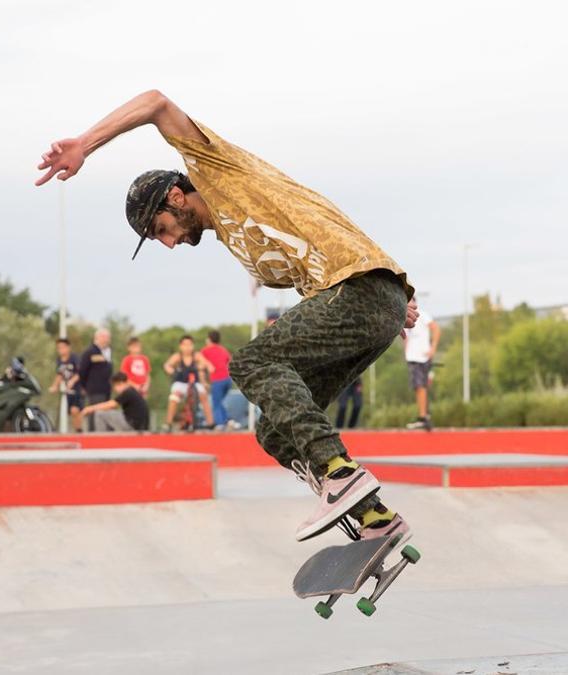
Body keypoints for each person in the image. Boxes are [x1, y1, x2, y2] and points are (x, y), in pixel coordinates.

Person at [34, 89, 419, 544]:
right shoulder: (240, 239)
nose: (171, 243)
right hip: (370, 300)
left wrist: (85, 143)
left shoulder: (217, 172)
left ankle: (341, 476)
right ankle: (374, 519)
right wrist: (395, 299)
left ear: (176, 196)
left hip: (361, 288)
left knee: (251, 363)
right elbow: (317, 219)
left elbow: (157, 104)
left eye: (162, 229)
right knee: (273, 431)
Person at [163, 335, 216, 430]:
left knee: (203, 395)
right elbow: (167, 365)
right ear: (180, 346)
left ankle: (210, 423)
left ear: (193, 346)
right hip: (180, 383)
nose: (187, 347)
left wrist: (209, 367)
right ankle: (168, 423)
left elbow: (208, 364)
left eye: (190, 344)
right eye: (185, 345)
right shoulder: (177, 356)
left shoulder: (196, 355)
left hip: (194, 383)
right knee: (174, 397)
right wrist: (171, 370)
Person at [403, 306, 440, 430]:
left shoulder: (422, 314)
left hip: (421, 357)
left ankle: (423, 417)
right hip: (413, 357)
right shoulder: (404, 315)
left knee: (420, 386)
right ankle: (424, 416)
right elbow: (405, 337)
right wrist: (406, 352)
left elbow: (436, 328)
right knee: (419, 387)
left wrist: (433, 348)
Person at [80, 373, 150, 432]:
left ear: (120, 383)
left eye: (115, 386)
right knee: (110, 413)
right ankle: (110, 435)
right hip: (140, 426)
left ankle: (101, 440)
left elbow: (111, 404)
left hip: (132, 426)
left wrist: (90, 408)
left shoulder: (127, 392)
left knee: (100, 414)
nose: (115, 390)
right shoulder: (133, 391)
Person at [78, 329, 113, 431]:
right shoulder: (90, 352)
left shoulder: (107, 352)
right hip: (95, 390)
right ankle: (92, 434)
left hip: (106, 390)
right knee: (94, 414)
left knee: (105, 414)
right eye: (105, 337)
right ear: (97, 337)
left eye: (108, 337)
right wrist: (84, 386)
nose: (107, 340)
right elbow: (82, 371)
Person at [48, 337, 83, 431]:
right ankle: (75, 430)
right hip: (67, 391)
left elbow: (80, 372)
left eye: (63, 347)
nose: (61, 350)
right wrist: (54, 386)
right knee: (69, 412)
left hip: (77, 389)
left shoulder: (74, 358)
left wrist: (72, 381)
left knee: (75, 410)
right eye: (59, 348)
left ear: (68, 347)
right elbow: (59, 374)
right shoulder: (59, 360)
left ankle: (79, 431)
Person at [200, 330, 232, 428]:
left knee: (216, 403)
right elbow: (230, 362)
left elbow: (200, 365)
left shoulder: (205, 350)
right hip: (228, 379)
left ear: (209, 339)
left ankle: (219, 424)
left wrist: (204, 381)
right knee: (219, 401)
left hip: (217, 379)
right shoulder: (223, 349)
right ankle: (228, 420)